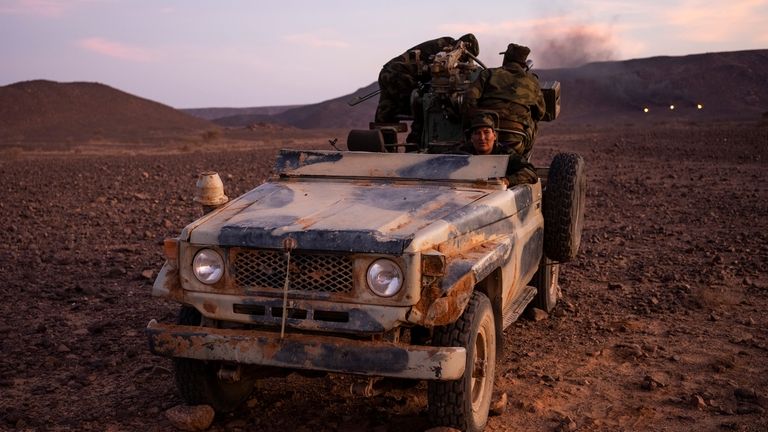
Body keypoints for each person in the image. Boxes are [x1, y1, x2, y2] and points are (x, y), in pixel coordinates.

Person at [375, 33, 479, 142]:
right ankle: (415, 142)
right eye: (465, 57)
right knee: (423, 104)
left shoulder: (445, 44)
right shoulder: (447, 48)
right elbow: (440, 70)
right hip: (399, 75)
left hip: (388, 72)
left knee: (387, 110)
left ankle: (384, 147)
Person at [463, 43, 546, 161]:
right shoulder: (532, 81)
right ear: (523, 63)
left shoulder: (488, 74)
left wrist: (473, 121)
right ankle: (522, 160)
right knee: (534, 118)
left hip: (484, 137)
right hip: (516, 142)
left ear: (505, 58)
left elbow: (469, 100)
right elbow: (541, 112)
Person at [463, 112, 538, 186]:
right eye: (477, 133)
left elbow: (530, 172)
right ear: (471, 138)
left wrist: (507, 181)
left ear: (494, 135)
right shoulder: (462, 154)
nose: (482, 138)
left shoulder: (506, 154)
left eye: (486, 132)